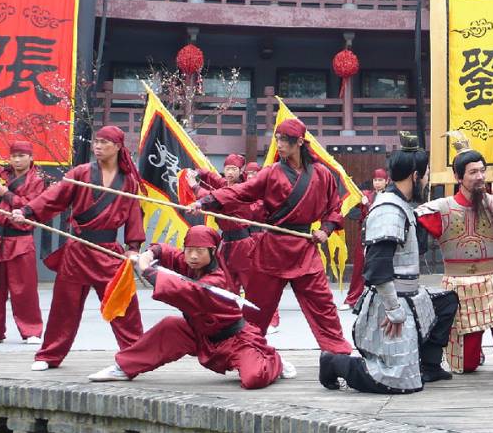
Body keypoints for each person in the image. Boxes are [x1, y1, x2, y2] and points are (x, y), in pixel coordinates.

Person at [187, 118, 353, 354]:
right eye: (277, 139)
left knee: (323, 305)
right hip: (272, 248)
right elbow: (240, 192)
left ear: (300, 142)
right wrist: (205, 201)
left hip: (305, 249)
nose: (279, 145)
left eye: (284, 140)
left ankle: (338, 352)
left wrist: (325, 230)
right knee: (257, 308)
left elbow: (334, 208)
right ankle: (246, 352)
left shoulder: (322, 174)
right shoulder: (272, 172)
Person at [320, 134, 458, 393]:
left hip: (411, 295)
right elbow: (377, 268)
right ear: (415, 176)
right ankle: (334, 363)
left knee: (447, 302)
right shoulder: (388, 209)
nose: (427, 180)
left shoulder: (402, 205)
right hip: (390, 301)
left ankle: (429, 366)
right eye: (426, 175)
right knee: (398, 381)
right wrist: (394, 310)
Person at [11, 126, 145, 371]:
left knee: (123, 304)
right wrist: (27, 211)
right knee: (64, 307)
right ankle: (49, 355)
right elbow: (54, 196)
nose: (98, 146)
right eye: (96, 141)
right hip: (77, 250)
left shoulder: (128, 182)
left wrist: (133, 246)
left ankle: (137, 355)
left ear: (117, 146)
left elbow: (134, 215)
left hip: (108, 252)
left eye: (104, 142)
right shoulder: (81, 173)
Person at [87, 225, 288, 388]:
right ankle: (124, 367)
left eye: (199, 252)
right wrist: (149, 253)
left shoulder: (217, 280)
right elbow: (166, 251)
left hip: (234, 340)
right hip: (199, 334)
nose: (192, 257)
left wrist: (146, 269)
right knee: (170, 326)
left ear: (212, 252)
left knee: (254, 379)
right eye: (189, 250)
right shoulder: (189, 263)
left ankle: (273, 362)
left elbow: (181, 290)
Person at [415, 134, 493, 378]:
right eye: (473, 172)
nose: (480, 177)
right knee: (466, 367)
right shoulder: (441, 208)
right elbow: (415, 223)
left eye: (482, 171)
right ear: (458, 177)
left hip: (492, 281)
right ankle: (474, 353)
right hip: (457, 288)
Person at [187, 154, 278, 331]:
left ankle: (270, 320)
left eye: (233, 169)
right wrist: (198, 172)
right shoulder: (226, 187)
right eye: (227, 168)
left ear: (240, 171)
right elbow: (214, 178)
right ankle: (233, 319)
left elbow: (218, 200)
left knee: (252, 285)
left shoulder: (242, 191)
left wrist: (196, 188)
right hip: (227, 244)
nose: (229, 172)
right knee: (228, 285)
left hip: (243, 244)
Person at [0, 140, 45, 346]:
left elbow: (31, 206)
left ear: (31, 158)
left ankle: (31, 331)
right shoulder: (2, 176)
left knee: (24, 289)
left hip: (21, 240)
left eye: (21, 156)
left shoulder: (37, 180)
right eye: (14, 156)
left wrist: (7, 194)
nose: (17, 160)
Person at [341, 168, 389, 311]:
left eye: (380, 180)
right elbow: (350, 202)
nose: (377, 183)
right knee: (359, 268)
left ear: (387, 181)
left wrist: (368, 205)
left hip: (382, 237)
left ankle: (382, 300)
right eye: (375, 180)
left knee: (382, 269)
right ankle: (352, 299)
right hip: (365, 237)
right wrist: (359, 199)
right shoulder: (366, 194)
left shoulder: (390, 197)